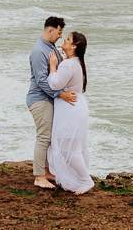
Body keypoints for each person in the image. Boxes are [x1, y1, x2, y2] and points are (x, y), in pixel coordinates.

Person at [26, 16, 78, 190]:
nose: (60, 37)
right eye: (59, 32)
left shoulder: (50, 47)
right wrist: (61, 94)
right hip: (39, 99)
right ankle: (39, 176)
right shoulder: (39, 51)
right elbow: (42, 81)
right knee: (43, 137)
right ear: (50, 30)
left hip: (47, 98)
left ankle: (46, 171)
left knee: (49, 137)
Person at [47, 31, 91, 193]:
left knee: (67, 147)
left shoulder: (68, 64)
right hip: (77, 107)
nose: (63, 40)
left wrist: (53, 66)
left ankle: (85, 181)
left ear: (73, 46)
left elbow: (55, 84)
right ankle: (80, 178)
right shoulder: (77, 62)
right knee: (75, 146)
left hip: (70, 109)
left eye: (67, 39)